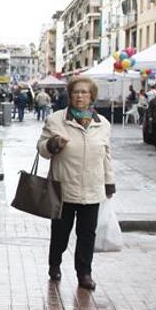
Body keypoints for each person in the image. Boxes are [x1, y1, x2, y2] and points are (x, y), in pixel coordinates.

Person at [38, 76, 115, 290]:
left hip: (92, 188)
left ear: (92, 96)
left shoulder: (103, 124)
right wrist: (52, 144)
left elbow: (106, 155)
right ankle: (54, 263)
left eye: (84, 92)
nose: (79, 96)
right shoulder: (55, 120)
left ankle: (84, 273)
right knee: (60, 233)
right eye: (75, 92)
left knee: (87, 235)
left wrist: (109, 182)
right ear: (70, 95)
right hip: (63, 188)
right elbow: (41, 148)